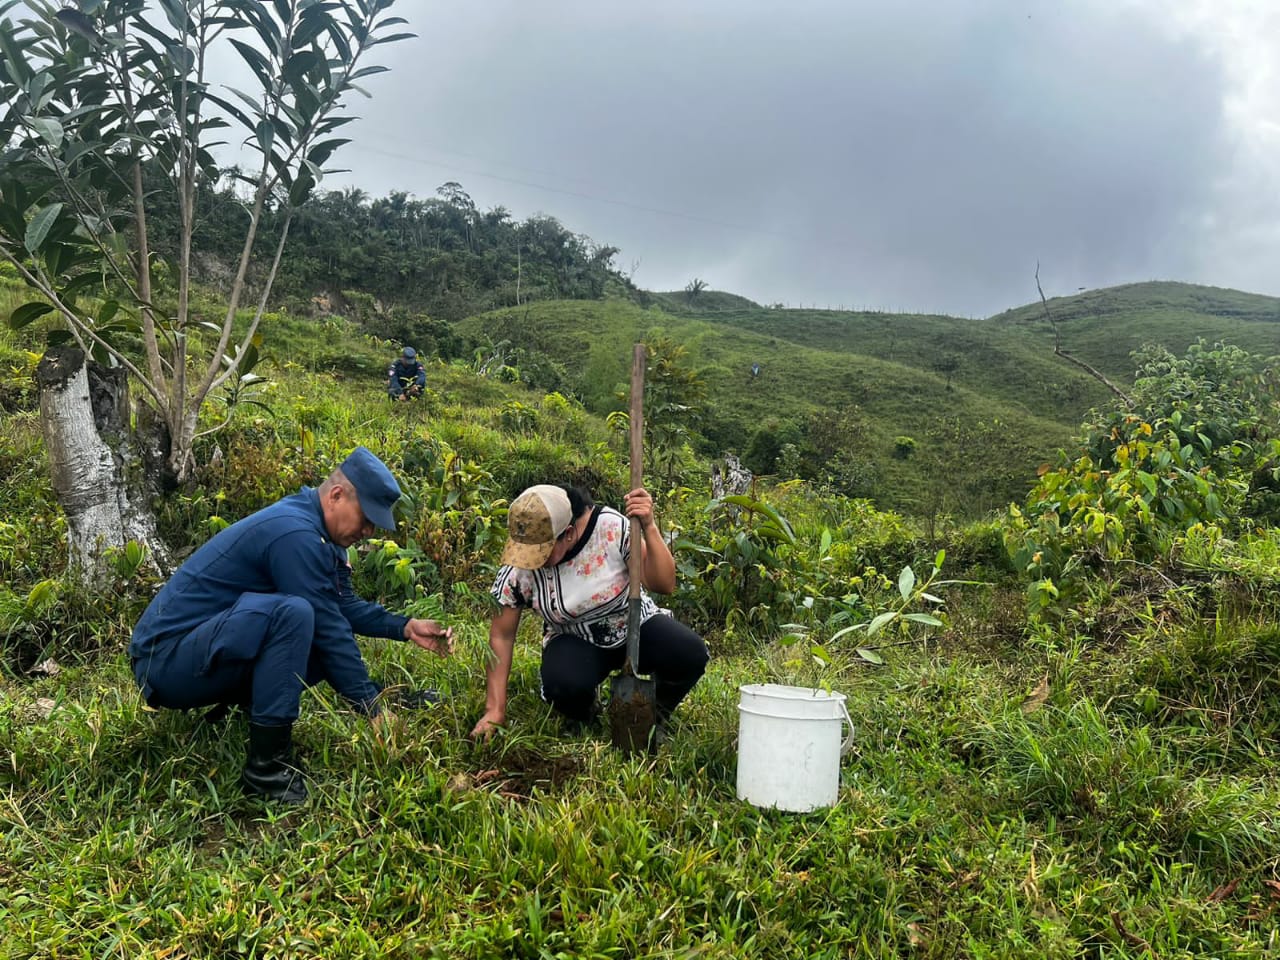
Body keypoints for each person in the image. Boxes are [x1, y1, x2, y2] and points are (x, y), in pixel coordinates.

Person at [129, 446, 454, 803]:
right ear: (336, 495)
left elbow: (341, 605)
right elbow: (329, 628)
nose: (368, 530)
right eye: (366, 518)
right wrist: (371, 710)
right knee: (297, 615)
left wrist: (405, 626)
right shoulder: (294, 534)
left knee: (307, 619)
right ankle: (266, 770)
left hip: (201, 648)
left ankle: (266, 711)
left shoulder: (320, 533)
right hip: (164, 661)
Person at [471, 483, 708, 745]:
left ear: (568, 533)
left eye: (542, 553)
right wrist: (495, 710)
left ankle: (652, 717)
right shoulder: (520, 562)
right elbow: (501, 637)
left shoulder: (610, 528)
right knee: (563, 686)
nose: (531, 562)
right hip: (573, 637)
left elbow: (664, 584)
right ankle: (585, 713)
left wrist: (649, 527)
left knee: (690, 654)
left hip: (631, 624)